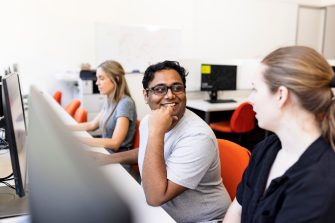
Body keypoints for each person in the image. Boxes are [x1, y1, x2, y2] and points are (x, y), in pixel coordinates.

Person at [90, 60, 231, 222]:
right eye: (159, 89)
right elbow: (147, 151)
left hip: (204, 220)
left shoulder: (198, 136)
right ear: (146, 95)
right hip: (162, 213)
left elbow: (156, 197)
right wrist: (109, 158)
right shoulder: (149, 121)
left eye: (177, 88)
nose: (170, 95)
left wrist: (156, 131)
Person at [223, 46, 335, 223]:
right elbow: (237, 210)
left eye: (256, 90)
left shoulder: (322, 180)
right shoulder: (266, 149)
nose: (250, 99)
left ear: (281, 95)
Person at [71, 60, 137, 171]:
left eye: (101, 78)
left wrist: (79, 139)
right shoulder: (110, 100)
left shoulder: (125, 103)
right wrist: (64, 128)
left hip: (117, 162)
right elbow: (92, 125)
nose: (97, 83)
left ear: (116, 79)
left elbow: (115, 143)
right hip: (106, 154)